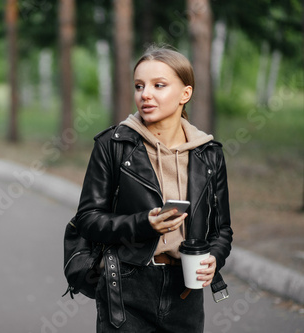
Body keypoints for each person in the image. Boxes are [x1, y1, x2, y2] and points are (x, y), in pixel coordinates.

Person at [74, 45, 233, 332]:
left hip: (187, 290)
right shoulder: (113, 145)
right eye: (139, 86)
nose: (145, 94)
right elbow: (87, 219)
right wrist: (143, 223)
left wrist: (214, 257)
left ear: (185, 94)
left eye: (159, 85)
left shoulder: (209, 153)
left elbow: (221, 229)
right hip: (126, 284)